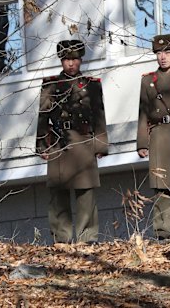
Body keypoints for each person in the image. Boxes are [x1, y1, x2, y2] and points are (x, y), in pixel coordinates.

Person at [36, 40, 108, 244]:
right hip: (59, 142)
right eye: (66, 59)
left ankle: (88, 238)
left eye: (74, 59)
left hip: (84, 141)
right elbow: (43, 117)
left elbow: (99, 115)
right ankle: (62, 238)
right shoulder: (50, 85)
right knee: (58, 193)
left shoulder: (92, 85)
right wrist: (42, 145)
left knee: (86, 192)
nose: (70, 63)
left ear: (81, 60)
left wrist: (101, 144)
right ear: (61, 60)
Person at [136, 34, 170, 240]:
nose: (163, 57)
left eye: (168, 52)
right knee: (161, 186)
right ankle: (163, 232)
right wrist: (142, 142)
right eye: (159, 53)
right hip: (159, 136)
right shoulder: (148, 81)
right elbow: (143, 113)